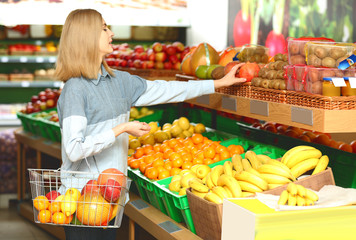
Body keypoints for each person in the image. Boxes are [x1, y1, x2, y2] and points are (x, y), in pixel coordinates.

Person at [55, 8, 246, 240]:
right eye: (104, 28)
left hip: (112, 197)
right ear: (86, 37)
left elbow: (166, 89)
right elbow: (74, 149)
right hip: (83, 197)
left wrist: (217, 84)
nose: (111, 33)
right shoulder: (76, 89)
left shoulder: (119, 82)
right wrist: (121, 128)